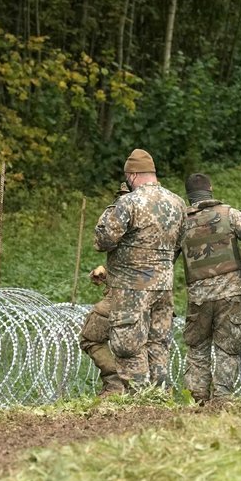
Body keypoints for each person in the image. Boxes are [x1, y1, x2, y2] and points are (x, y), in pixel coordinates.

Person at [83, 149, 185, 390]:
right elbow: (180, 244)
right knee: (157, 343)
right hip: (164, 286)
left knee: (128, 345)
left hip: (132, 287)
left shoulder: (129, 202)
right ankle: (160, 396)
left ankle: (140, 401)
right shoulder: (177, 202)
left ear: (133, 174)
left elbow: (103, 241)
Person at [180, 172, 241, 403]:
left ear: (188, 195)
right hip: (230, 293)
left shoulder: (181, 222)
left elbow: (166, 254)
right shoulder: (228, 214)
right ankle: (222, 397)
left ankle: (197, 397)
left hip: (198, 296)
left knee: (197, 347)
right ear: (211, 189)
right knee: (228, 347)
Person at [80, 182, 131, 397]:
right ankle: (150, 391)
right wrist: (106, 272)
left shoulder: (118, 217)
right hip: (156, 293)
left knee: (90, 337)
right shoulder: (160, 218)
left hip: (121, 296)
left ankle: (115, 384)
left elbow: (101, 243)